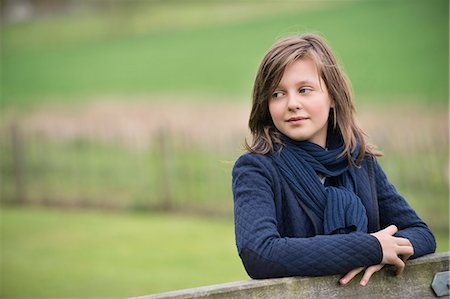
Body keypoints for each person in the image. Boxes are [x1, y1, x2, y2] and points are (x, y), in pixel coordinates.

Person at [231, 33, 436, 286]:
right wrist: (369, 247)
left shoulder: (359, 160)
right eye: (277, 94)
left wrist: (387, 251)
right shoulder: (256, 169)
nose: (292, 103)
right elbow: (260, 254)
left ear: (332, 96)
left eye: (304, 90)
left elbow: (422, 234)